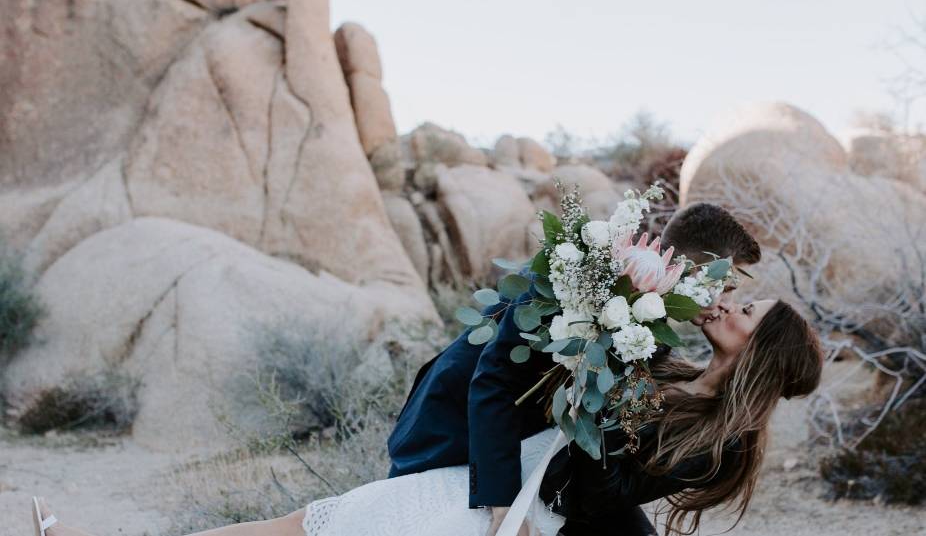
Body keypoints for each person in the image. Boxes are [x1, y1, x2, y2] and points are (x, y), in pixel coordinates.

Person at [29, 294, 824, 536]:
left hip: (513, 518)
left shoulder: (723, 449)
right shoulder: (669, 364)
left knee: (313, 528)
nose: (730, 298)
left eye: (749, 308)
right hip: (485, 492)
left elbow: (611, 496)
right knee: (309, 524)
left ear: (764, 346)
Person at [386, 202, 762, 536]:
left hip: (532, 451)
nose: (725, 304)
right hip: (453, 423)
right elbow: (495, 382)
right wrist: (504, 504)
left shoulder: (655, 332)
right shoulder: (578, 272)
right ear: (697, 268)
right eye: (725, 288)